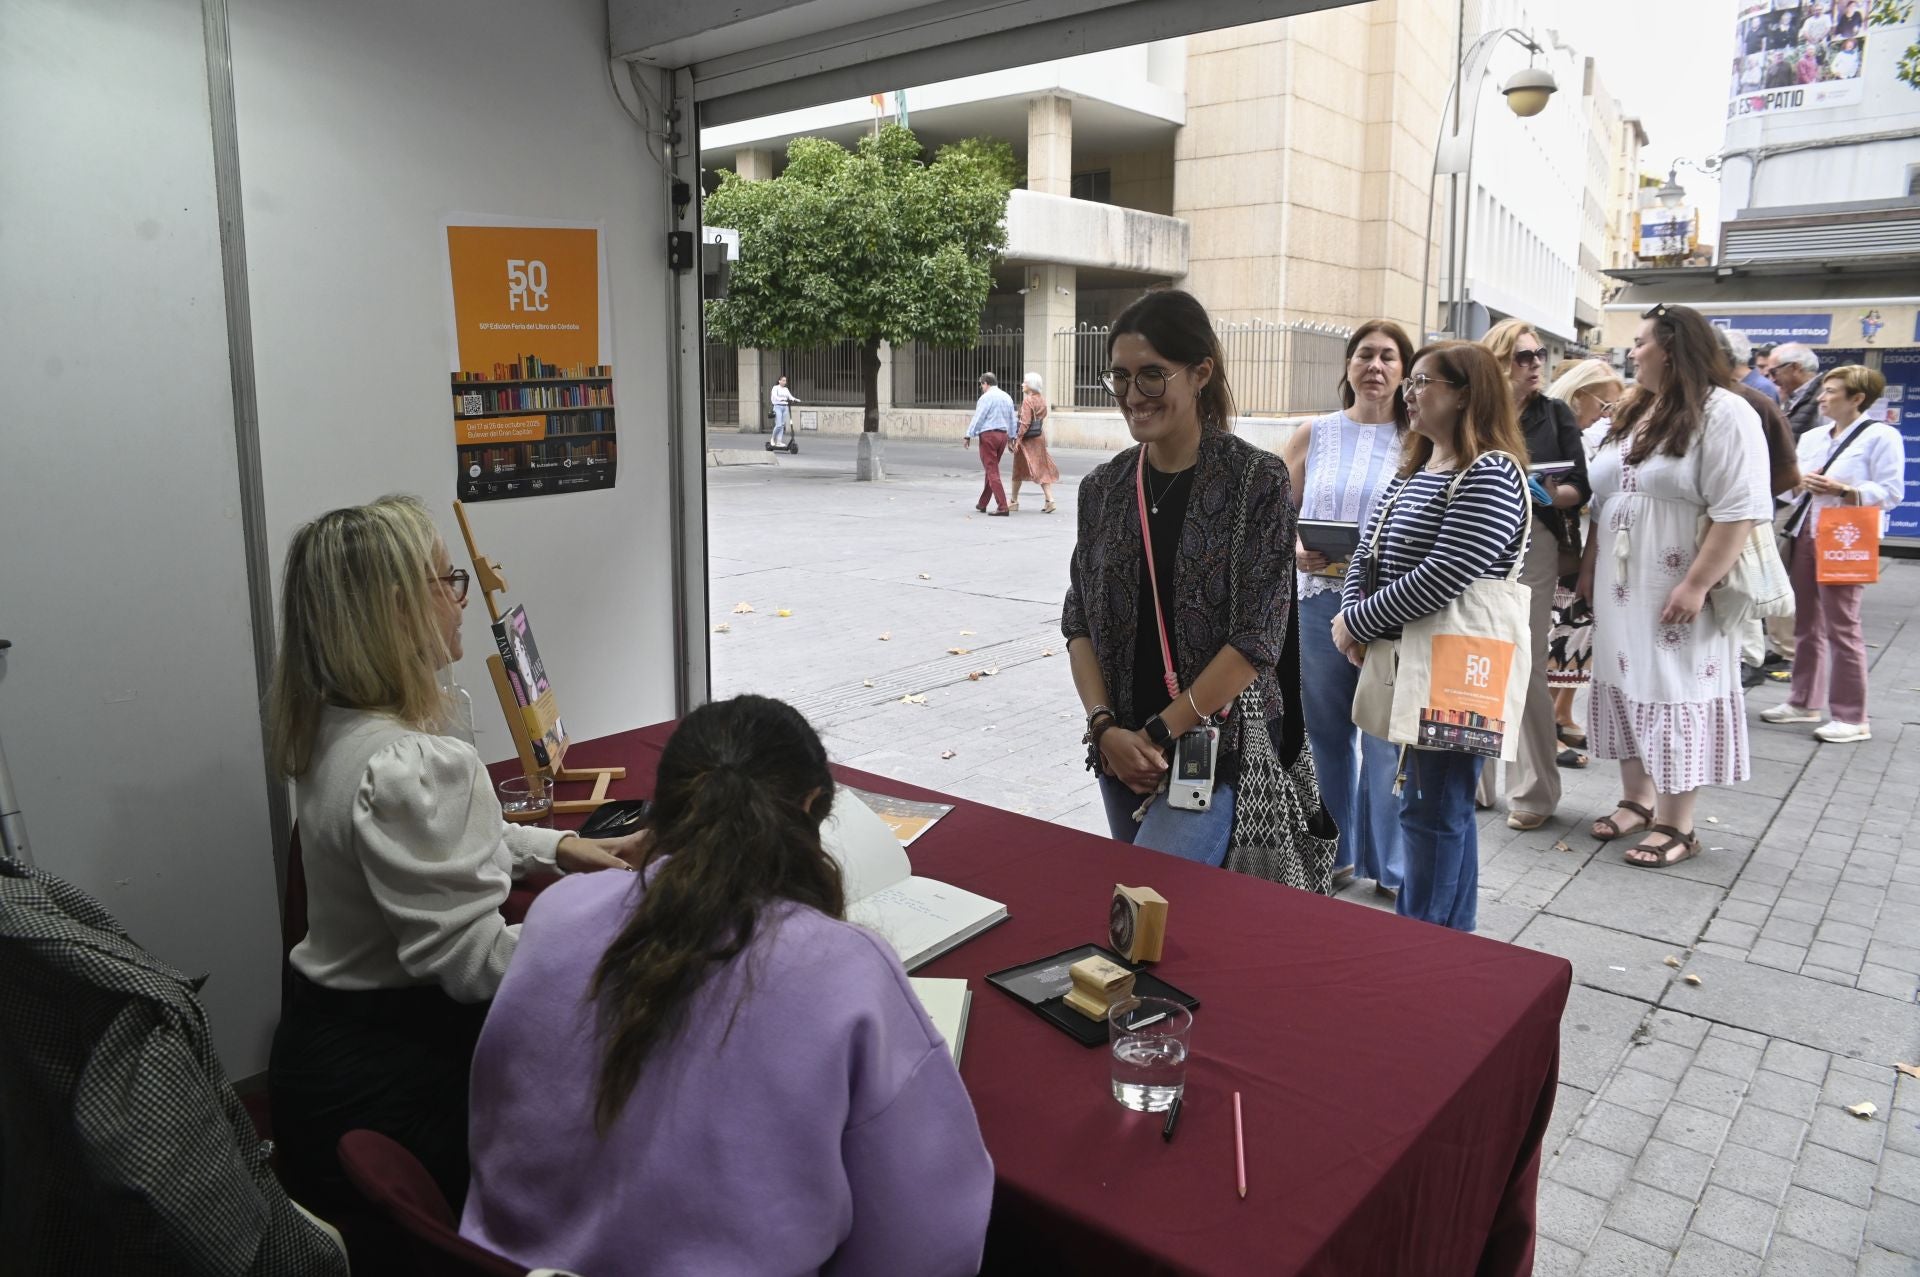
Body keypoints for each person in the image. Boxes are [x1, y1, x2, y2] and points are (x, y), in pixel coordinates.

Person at [461, 696, 992, 1276]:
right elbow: (931, 1245)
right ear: (812, 807)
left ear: (655, 814)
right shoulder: (848, 970)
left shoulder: (558, 913)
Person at [265, 496, 642, 1211]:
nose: (464, 597)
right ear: (397, 609)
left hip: (323, 1052)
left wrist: (564, 847)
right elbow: (477, 964)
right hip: (395, 1080)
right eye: (450, 579)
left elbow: (441, 845)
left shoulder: (343, 731)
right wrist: (625, 920)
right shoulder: (413, 762)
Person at [1063, 289, 1295, 867]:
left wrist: (1159, 736)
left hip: (1213, 749)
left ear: (1200, 374)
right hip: (1121, 755)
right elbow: (1079, 621)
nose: (1132, 396)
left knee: (1150, 895)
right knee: (1152, 925)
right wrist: (1106, 730)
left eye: (1152, 376)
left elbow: (1256, 639)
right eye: (1119, 377)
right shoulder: (1103, 488)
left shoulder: (1256, 482)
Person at [1334, 342, 1530, 931]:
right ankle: (1452, 939)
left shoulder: (1490, 471)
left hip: (1458, 663)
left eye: (1423, 382)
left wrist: (1358, 622)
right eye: (1411, 382)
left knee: (1434, 810)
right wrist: (1351, 613)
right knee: (1433, 810)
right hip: (1414, 657)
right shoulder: (1417, 467)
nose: (1409, 393)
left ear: (1466, 394)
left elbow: (1444, 574)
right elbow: (1366, 553)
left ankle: (1427, 943)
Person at [1581, 305, 1773, 868]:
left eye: (1639, 342)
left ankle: (1677, 823)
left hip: (1678, 579)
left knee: (1672, 688)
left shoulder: (1725, 412)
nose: (1632, 352)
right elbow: (1604, 500)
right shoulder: (1636, 410)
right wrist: (1591, 566)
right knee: (1625, 682)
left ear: (1671, 347)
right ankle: (1637, 801)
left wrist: (1695, 584)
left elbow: (1738, 511)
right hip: (1621, 586)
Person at [1280, 320, 1410, 897]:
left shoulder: (1420, 439)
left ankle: (1391, 865)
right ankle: (1333, 850)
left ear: (1404, 372)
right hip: (1316, 603)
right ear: (1348, 366)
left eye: (1388, 357)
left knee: (1385, 735)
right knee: (1325, 733)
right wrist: (1294, 546)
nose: (1375, 366)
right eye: (1365, 355)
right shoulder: (1314, 432)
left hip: (1390, 609)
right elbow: (1274, 512)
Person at [1475, 320, 1589, 831]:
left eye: (1540, 354)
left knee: (1525, 657)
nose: (1536, 364)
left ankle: (1535, 792)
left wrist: (1542, 489)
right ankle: (1474, 783)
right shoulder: (1477, 410)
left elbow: (1579, 487)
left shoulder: (1554, 413)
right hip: (1476, 535)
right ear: (1500, 362)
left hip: (1534, 538)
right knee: (1475, 650)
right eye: (1524, 356)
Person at [1761, 366, 1906, 743]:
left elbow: (1891, 493)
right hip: (1807, 531)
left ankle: (1851, 714)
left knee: (1843, 625)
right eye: (1823, 391)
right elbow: (1793, 488)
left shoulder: (1881, 436)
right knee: (1805, 621)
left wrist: (1842, 488)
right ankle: (1804, 700)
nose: (1822, 398)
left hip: (1847, 537)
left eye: (1831, 391)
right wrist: (1801, 484)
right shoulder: (1812, 436)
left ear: (1857, 398)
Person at [1540, 359, 1625, 765]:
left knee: (1579, 633)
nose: (1609, 414)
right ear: (1579, 397)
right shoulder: (1559, 427)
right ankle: (1544, 728)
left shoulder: (1599, 435)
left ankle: (1561, 713)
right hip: (1560, 547)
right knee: (1555, 639)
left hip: (1590, 545)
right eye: (1606, 405)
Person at [1710, 326, 1803, 689]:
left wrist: (1746, 503)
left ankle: (1748, 659)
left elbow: (1788, 472)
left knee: (1742, 585)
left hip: (1739, 519)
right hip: (1720, 519)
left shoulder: (1753, 400)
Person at [1009, 371, 1061, 513]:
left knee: (1017, 469)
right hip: (1039, 437)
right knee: (1042, 468)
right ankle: (1050, 500)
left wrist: (1017, 439)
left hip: (1027, 440)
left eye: (1025, 382)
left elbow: (1025, 423)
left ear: (1031, 385)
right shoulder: (1042, 399)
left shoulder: (1028, 400)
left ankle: (1014, 501)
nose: (1022, 384)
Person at [965, 371, 1015, 516]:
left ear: (985, 383)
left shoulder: (985, 398)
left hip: (989, 436)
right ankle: (983, 503)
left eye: (981, 384)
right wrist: (1012, 438)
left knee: (992, 471)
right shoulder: (1007, 397)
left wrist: (968, 434)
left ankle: (1002, 506)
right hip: (1003, 436)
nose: (981, 387)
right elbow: (1012, 419)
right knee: (991, 468)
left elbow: (979, 418)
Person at [1770, 343, 1824, 436]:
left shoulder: (1824, 395)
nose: (1772, 380)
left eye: (1774, 372)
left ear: (1795, 368)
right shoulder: (1790, 398)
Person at [1726, 330, 1780, 404]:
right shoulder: (1727, 385)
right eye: (1761, 367)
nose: (1766, 372)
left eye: (1773, 369)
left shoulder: (1763, 388)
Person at [768, 374, 799, 451]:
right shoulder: (775, 388)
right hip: (777, 406)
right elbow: (774, 396)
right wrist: (780, 399)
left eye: (785, 380)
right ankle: (772, 439)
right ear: (779, 381)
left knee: (782, 425)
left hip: (785, 407)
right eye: (783, 380)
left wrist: (795, 399)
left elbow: (790, 397)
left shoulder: (786, 389)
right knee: (778, 425)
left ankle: (779, 441)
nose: (784, 382)